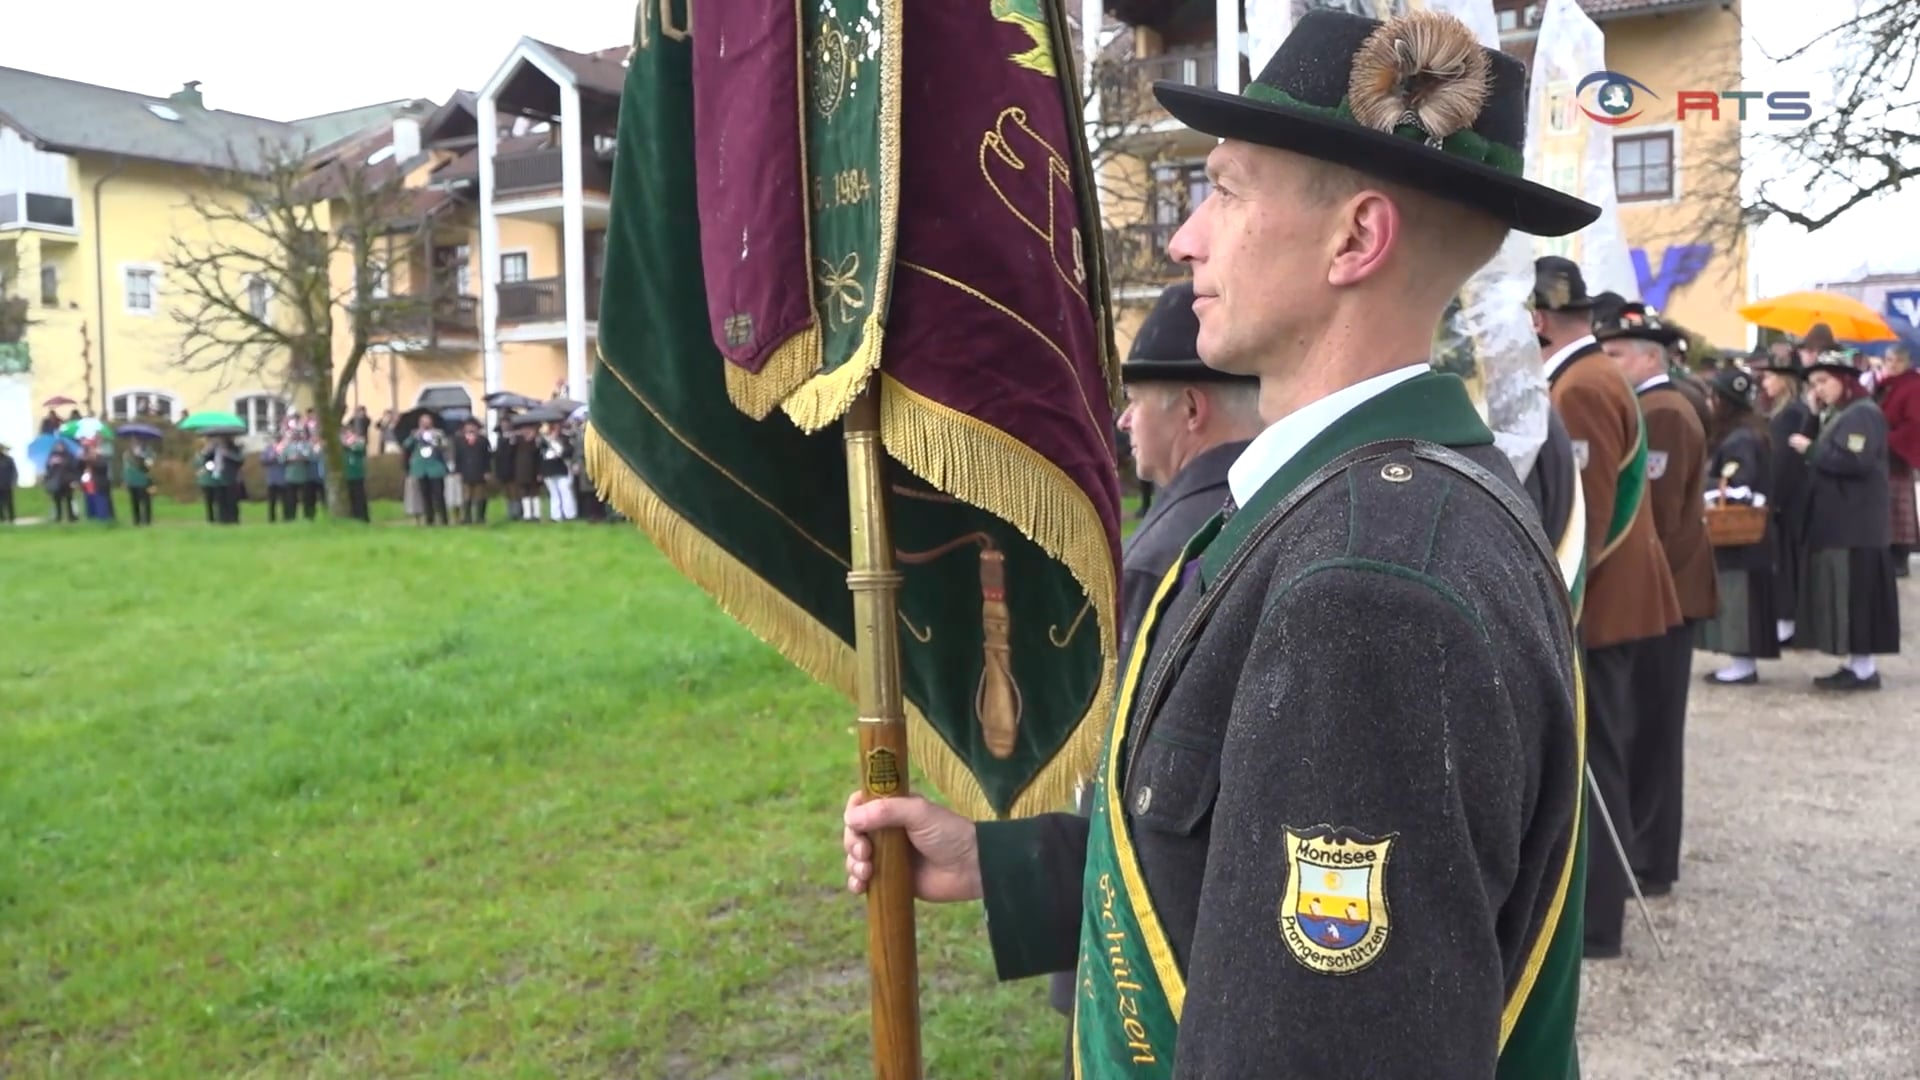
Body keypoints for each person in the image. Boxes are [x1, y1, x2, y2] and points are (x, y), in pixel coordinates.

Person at [843, 11, 1593, 1075]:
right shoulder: (1361, 509)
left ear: (1355, 240)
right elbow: (1226, 845)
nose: (1187, 236)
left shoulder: (1367, 583)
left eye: (1228, 190)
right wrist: (1000, 865)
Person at [1044, 279, 1264, 1045]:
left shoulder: (1162, 554)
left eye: (1138, 400)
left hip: (1146, 924)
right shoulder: (1277, 506)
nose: (1125, 420)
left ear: (1193, 410)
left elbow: (1114, 765)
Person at [1531, 255, 1681, 959]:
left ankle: (1597, 923)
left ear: (1535, 320)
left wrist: (1556, 600)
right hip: (1612, 598)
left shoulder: (1582, 388)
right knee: (1605, 751)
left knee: (1599, 759)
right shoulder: (1590, 376)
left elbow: (1581, 519)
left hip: (1600, 603)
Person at [1594, 302, 1713, 901]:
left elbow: (1656, 516)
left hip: (1669, 592)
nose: (1606, 363)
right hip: (1669, 591)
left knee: (1653, 730)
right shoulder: (1655, 406)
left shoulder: (1664, 411)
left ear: (1648, 356)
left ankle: (1650, 855)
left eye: (1615, 354)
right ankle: (1646, 849)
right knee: (1645, 727)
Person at [1794, 354, 1901, 690]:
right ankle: (1857, 664)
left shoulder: (1863, 415)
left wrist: (1812, 450)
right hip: (1843, 521)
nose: (1819, 390)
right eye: (1813, 385)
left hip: (1858, 525)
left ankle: (1864, 668)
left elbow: (1855, 460)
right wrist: (1812, 417)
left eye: (1824, 381)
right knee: (1848, 595)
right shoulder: (1841, 414)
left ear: (1845, 380)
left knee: (1859, 595)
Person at [1696, 366, 1779, 684]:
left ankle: (1743, 665)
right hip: (1749, 539)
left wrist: (1706, 483)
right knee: (1740, 595)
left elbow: (1738, 486)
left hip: (1740, 535)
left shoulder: (1740, 438)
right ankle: (1742, 662)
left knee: (1738, 597)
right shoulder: (1748, 432)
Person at [1753, 347, 1818, 646]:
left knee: (1786, 558)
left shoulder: (1791, 413)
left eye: (1770, 376)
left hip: (1789, 496)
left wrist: (1773, 497)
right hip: (1792, 493)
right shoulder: (1790, 410)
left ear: (1785, 379)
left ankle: (1787, 621)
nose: (1764, 381)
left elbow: (1783, 460)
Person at [1871, 343, 1919, 576]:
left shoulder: (1913, 386)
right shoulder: (1884, 385)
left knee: (1899, 507)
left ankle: (1899, 556)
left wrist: (1889, 439)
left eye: (1898, 361)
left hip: (1897, 452)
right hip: (1882, 450)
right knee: (1886, 504)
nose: (1892, 365)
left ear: (1908, 363)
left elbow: (1914, 422)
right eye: (1889, 360)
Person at [403, 415, 450, 526]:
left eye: (427, 422)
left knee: (438, 495)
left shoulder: (438, 433)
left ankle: (443, 519)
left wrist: (435, 440)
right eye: (423, 422)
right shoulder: (415, 433)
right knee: (425, 495)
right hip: (421, 468)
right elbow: (406, 445)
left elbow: (445, 445)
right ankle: (430, 519)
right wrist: (415, 436)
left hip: (435, 467)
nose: (425, 424)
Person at [454, 419, 492, 524]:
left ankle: (480, 517)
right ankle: (467, 518)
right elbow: (457, 457)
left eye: (473, 426)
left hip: (480, 472)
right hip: (465, 472)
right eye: (468, 426)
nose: (470, 428)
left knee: (481, 496)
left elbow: (487, 457)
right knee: (467, 496)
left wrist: (487, 471)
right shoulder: (459, 440)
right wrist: (458, 471)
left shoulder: (483, 440)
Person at [123, 438, 156, 526]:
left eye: (137, 441)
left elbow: (150, 465)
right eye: (133, 441)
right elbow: (125, 468)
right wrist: (125, 480)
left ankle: (147, 520)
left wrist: (141, 457)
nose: (135, 443)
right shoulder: (127, 454)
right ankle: (136, 521)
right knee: (134, 502)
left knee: (146, 502)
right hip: (132, 480)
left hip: (143, 480)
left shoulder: (148, 452)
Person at [342, 427, 371, 522]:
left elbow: (359, 449)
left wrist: (349, 444)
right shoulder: (343, 446)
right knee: (351, 498)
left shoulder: (359, 443)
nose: (348, 436)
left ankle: (363, 517)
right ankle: (354, 516)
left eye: (350, 434)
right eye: (346, 434)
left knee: (360, 496)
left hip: (357, 474)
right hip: (347, 475)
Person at [0, 442, 15, 523]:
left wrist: (13, 482)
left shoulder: (9, 460)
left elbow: (14, 472)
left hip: (6, 484)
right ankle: (2, 518)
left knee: (9, 503)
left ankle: (11, 518)